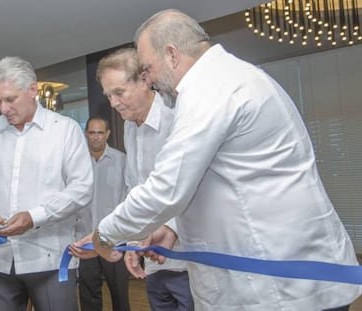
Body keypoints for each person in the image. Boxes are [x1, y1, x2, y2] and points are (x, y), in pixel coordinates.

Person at [72, 9, 362, 311]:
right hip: (272, 274)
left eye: (148, 69)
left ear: (171, 55)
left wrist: (104, 235)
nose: (150, 80)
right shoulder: (227, 78)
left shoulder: (211, 90)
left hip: (282, 280)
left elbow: (167, 188)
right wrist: (170, 228)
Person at [0, 56, 93, 311]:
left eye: (10, 99)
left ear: (33, 89)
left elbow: (81, 189)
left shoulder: (64, 130)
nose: (3, 108)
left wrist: (34, 217)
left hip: (50, 260)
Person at [96, 47, 193, 311]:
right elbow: (135, 190)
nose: (113, 103)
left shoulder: (178, 117)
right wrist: (129, 242)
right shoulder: (129, 127)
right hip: (153, 260)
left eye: (119, 92)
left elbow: (191, 184)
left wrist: (169, 228)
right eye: (109, 95)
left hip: (189, 257)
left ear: (144, 80)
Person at [77, 116, 130, 311]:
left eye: (100, 133)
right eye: (92, 132)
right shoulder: (77, 163)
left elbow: (128, 198)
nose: (96, 137)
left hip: (114, 241)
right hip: (85, 241)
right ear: (86, 134)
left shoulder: (122, 160)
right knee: (88, 295)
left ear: (108, 134)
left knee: (120, 296)